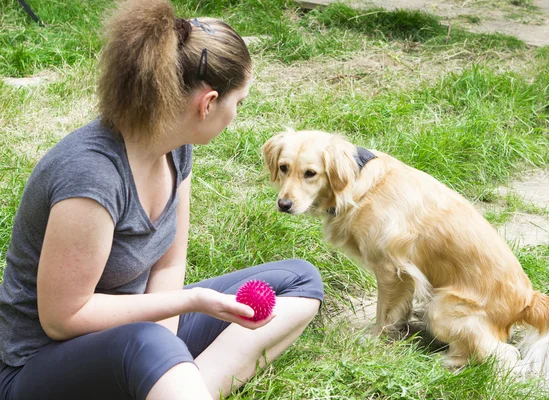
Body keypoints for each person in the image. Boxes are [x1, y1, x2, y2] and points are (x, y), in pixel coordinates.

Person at [0, 0, 323, 399]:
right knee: (150, 345)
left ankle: (181, 385)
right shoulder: (91, 176)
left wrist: (167, 340)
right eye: (238, 103)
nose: (237, 115)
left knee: (300, 281)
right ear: (207, 104)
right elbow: (63, 319)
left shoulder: (175, 149)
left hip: (135, 339)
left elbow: (169, 262)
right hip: (41, 366)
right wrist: (186, 307)